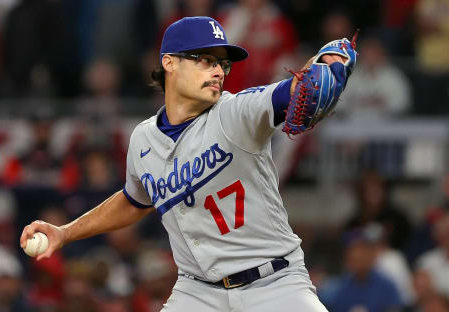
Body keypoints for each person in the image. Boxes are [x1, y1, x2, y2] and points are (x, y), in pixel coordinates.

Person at [20, 16, 352, 311]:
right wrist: (64, 233)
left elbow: (291, 90)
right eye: (205, 60)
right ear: (169, 62)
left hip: (274, 285)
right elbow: (136, 200)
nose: (219, 71)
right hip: (197, 292)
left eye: (223, 63)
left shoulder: (234, 114)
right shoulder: (143, 139)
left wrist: (325, 63)